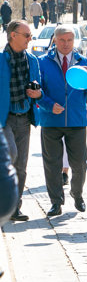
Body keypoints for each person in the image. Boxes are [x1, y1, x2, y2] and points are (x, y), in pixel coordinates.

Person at [37, 25, 87, 216]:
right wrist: (48, 104)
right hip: (51, 120)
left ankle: (77, 194)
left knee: (80, 163)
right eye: (62, 40)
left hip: (76, 120)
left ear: (74, 41)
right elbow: (37, 91)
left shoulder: (82, 61)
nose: (66, 44)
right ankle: (56, 201)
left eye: (69, 40)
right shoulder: (42, 62)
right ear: (55, 41)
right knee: (52, 163)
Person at [1, 19, 43, 221]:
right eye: (26, 35)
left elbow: (40, 88)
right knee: (12, 155)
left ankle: (14, 208)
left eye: (30, 35)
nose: (30, 39)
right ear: (13, 36)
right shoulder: (1, 60)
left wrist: (38, 94)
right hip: (5, 119)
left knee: (21, 166)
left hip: (25, 117)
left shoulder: (32, 60)